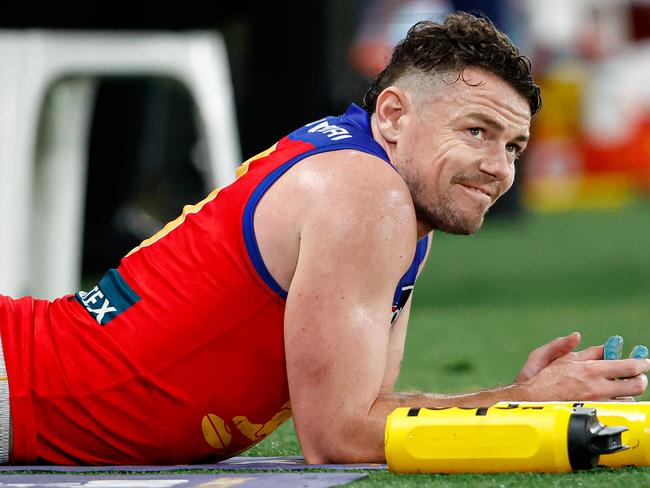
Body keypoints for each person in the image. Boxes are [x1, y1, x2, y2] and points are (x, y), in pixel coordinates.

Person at [0, 12, 648, 467]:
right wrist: (518, 403)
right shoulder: (366, 194)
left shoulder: (390, 198)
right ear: (393, 115)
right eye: (476, 132)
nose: (498, 167)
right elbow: (337, 440)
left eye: (513, 146)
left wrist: (511, 397)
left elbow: (367, 411)